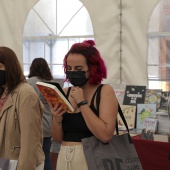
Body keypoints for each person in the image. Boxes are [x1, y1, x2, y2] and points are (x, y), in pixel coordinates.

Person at [49, 40, 118, 170]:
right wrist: (57, 119)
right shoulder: (65, 92)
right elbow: (58, 139)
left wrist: (82, 103)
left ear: (92, 69)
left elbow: (105, 135)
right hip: (64, 158)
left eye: (79, 69)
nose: (72, 72)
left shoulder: (104, 91)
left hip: (92, 159)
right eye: (69, 68)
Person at [0, 47, 45, 170]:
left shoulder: (26, 93)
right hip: (5, 161)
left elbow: (30, 139)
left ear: (10, 67)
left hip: (20, 163)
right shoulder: (4, 91)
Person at [27, 58, 60, 170]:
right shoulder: (51, 83)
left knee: (30, 157)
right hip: (49, 126)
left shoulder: (29, 83)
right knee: (46, 157)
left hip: (33, 126)